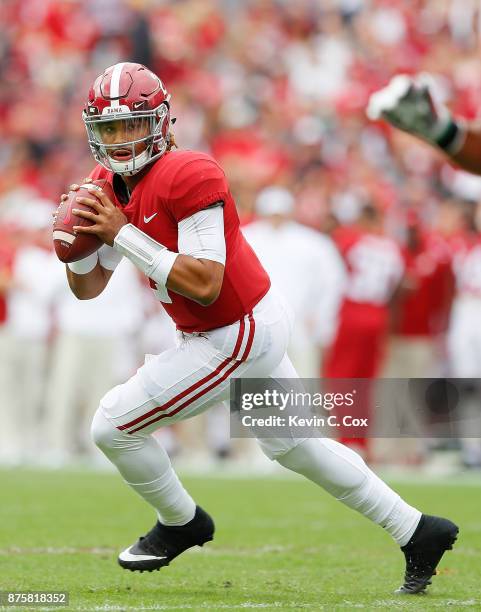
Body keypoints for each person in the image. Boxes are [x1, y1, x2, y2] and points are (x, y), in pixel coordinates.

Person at [58, 62, 458, 594]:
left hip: (236, 329)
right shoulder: (105, 186)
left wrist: (122, 232)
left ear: (161, 122)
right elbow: (88, 288)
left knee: (112, 426)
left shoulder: (190, 172)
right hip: (229, 327)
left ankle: (182, 522)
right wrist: (75, 246)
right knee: (298, 447)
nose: (121, 140)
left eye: (132, 125)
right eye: (109, 129)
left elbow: (203, 282)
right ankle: (418, 531)